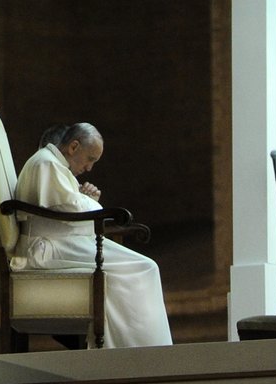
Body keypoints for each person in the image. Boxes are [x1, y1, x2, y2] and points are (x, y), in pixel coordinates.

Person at [11, 122, 172, 348]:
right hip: (47, 249)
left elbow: (70, 206)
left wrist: (85, 199)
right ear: (74, 146)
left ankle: (137, 347)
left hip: (62, 242)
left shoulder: (53, 165)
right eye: (90, 159)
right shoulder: (46, 163)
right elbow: (71, 210)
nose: (89, 168)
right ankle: (133, 348)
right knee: (143, 267)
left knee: (144, 266)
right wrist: (91, 202)